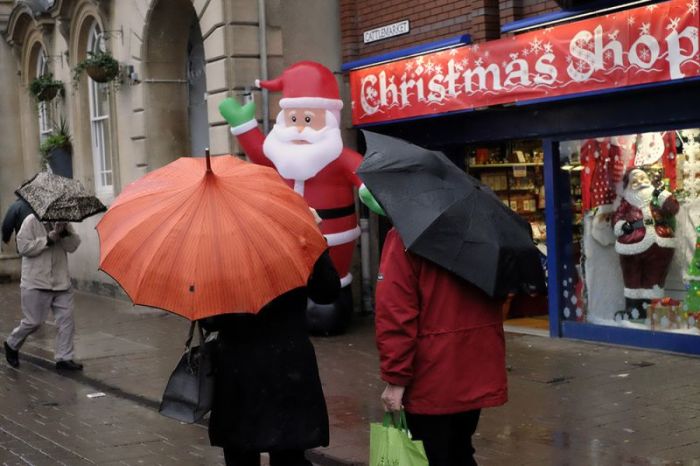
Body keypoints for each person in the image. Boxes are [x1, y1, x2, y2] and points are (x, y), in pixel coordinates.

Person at [219, 61, 363, 334]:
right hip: (286, 233)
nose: (298, 128)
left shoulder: (336, 156)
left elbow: (361, 171)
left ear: (327, 118)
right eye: (293, 119)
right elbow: (261, 155)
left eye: (307, 119)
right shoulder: (279, 151)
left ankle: (331, 308)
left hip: (333, 235)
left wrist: (370, 190)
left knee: (330, 278)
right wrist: (243, 125)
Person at [374, 227, 508, 466]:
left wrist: (395, 379)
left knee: (431, 453)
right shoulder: (482, 234)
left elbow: (395, 312)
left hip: (431, 374)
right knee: (460, 449)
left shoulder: (406, 236)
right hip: (474, 367)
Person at [200, 250, 340, 466]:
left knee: (240, 452)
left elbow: (209, 321)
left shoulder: (220, 250)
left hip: (239, 371)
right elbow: (327, 292)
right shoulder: (293, 236)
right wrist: (317, 246)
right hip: (288, 365)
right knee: (289, 452)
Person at [4, 214, 83, 371]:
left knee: (66, 321)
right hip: (36, 281)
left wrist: (65, 233)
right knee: (34, 321)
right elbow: (23, 248)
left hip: (61, 281)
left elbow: (73, 246)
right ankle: (12, 343)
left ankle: (64, 358)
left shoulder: (64, 222)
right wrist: (48, 239)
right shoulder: (30, 222)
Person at [612, 167, 679, 320]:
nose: (640, 183)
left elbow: (673, 208)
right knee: (632, 279)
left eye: (643, 178)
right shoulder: (626, 203)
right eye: (635, 181)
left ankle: (654, 311)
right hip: (632, 245)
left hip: (659, 243)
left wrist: (661, 194)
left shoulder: (657, 198)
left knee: (655, 279)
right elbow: (617, 219)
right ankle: (633, 311)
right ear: (628, 185)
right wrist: (622, 226)